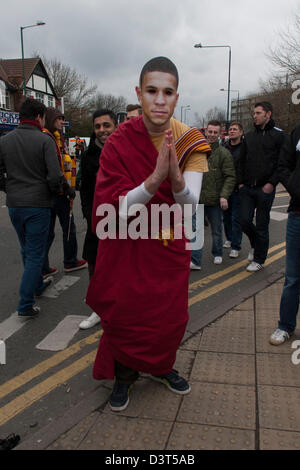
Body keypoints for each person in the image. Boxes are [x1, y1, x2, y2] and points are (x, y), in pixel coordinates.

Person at [85, 56, 210, 411]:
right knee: (128, 315)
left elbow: (189, 204)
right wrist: (154, 180)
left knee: (168, 318)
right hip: (129, 243)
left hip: (169, 244)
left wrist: (176, 179)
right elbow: (115, 208)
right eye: (152, 91)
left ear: (176, 96)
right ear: (139, 94)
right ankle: (124, 377)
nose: (159, 99)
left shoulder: (189, 140)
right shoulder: (119, 141)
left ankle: (161, 366)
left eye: (167, 92)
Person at [0, 98, 63, 317]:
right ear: (38, 117)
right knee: (36, 254)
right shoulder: (44, 140)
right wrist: (54, 193)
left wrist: (9, 189)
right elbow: (55, 175)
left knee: (27, 249)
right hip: (38, 204)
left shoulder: (5, 140)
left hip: (15, 204)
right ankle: (25, 304)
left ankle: (36, 286)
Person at [79, 109, 117, 329]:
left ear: (115, 126)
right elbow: (84, 190)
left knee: (121, 267)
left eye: (106, 125)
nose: (102, 130)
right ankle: (98, 309)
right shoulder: (88, 155)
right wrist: (88, 215)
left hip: (124, 219)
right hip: (97, 220)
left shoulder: (126, 150)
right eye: (98, 126)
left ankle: (120, 307)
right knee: (94, 265)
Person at [237, 101, 286, 272]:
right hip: (248, 188)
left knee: (262, 225)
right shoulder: (249, 136)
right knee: (243, 220)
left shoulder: (279, 136)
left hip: (265, 189)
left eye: (258, 113)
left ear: (268, 114)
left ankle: (259, 259)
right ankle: (255, 244)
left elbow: (282, 163)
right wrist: (241, 183)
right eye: (254, 113)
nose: (255, 116)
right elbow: (241, 161)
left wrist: (272, 183)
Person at [42, 108, 87, 275]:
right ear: (51, 119)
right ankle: (70, 261)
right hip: (59, 192)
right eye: (59, 119)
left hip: (53, 192)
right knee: (68, 228)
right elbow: (54, 169)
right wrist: (67, 188)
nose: (62, 122)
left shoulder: (56, 138)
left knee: (49, 231)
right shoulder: (49, 138)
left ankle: (44, 266)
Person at [269, 123, 300, 345]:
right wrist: (296, 188)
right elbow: (283, 165)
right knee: (292, 277)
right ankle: (285, 326)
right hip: (298, 215)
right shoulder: (297, 132)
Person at [190, 120, 235, 269]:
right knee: (195, 230)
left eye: (215, 132)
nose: (212, 135)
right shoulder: (197, 151)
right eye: (210, 132)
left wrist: (224, 195)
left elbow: (230, 176)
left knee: (216, 230)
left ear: (220, 133)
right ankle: (195, 260)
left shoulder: (224, 153)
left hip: (215, 200)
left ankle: (217, 253)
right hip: (198, 199)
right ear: (205, 132)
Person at [222, 121, 244, 258]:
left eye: (235, 129)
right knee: (226, 217)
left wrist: (243, 182)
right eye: (230, 129)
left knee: (236, 218)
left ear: (241, 132)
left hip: (238, 188)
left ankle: (236, 246)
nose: (231, 131)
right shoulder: (224, 147)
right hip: (225, 188)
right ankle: (229, 239)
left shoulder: (244, 148)